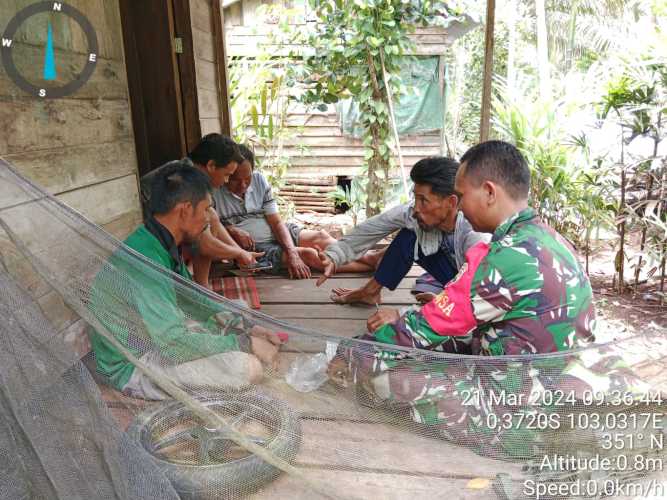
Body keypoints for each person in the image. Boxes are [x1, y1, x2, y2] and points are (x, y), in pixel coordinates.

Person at [329, 141, 601, 457]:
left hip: (515, 417)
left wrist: (351, 353)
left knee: (374, 368)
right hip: (557, 385)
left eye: (462, 196)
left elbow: (419, 329)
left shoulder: (498, 259)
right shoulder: (552, 240)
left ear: (488, 192)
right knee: (432, 347)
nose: (458, 206)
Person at [89, 161, 281, 400]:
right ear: (185, 210)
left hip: (155, 337)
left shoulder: (158, 241)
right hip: (133, 364)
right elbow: (173, 345)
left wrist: (249, 327)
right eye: (206, 210)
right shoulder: (145, 261)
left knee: (239, 309)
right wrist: (245, 343)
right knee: (248, 368)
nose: (210, 220)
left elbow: (192, 300)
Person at [316, 157, 487, 305]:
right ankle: (370, 292)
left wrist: (443, 301)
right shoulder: (415, 212)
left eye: (423, 200)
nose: (415, 208)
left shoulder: (475, 233)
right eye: (416, 198)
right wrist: (334, 255)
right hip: (454, 281)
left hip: (476, 294)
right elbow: (372, 228)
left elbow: (482, 298)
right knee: (410, 235)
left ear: (451, 202)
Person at [216, 144, 380, 279]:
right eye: (236, 180)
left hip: (277, 231)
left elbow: (276, 222)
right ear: (227, 174)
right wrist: (230, 230)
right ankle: (372, 265)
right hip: (257, 248)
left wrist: (291, 252)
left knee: (320, 236)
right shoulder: (214, 190)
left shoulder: (259, 180)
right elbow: (210, 228)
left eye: (248, 179)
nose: (243, 185)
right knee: (309, 255)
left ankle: (370, 259)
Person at [140, 134, 263, 287]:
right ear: (211, 165)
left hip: (162, 232)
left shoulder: (191, 172)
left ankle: (202, 287)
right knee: (203, 227)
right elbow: (204, 244)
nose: (226, 181)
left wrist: (239, 252)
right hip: (148, 240)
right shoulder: (185, 180)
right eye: (227, 175)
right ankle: (202, 289)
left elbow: (213, 220)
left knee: (209, 216)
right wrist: (238, 253)